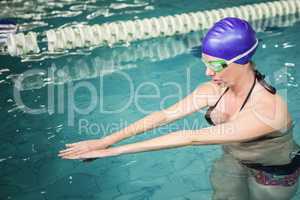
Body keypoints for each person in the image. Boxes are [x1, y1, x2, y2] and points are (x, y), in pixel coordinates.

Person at [58, 17, 300, 200]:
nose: (208, 72)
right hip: (232, 160)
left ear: (242, 61)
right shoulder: (213, 90)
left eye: (215, 65)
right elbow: (164, 115)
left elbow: (191, 137)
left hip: (272, 174)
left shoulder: (267, 110)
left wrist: (114, 152)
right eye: (205, 63)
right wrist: (105, 140)